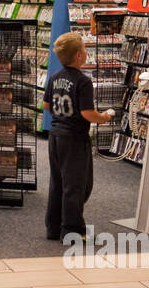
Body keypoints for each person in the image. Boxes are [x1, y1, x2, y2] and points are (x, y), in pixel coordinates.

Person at [43, 32, 114, 242]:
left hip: (56, 136)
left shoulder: (55, 77)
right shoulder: (83, 82)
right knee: (77, 185)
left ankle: (53, 227)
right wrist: (103, 117)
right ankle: (73, 229)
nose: (86, 52)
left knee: (57, 182)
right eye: (83, 49)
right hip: (75, 139)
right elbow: (86, 113)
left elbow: (46, 105)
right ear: (77, 56)